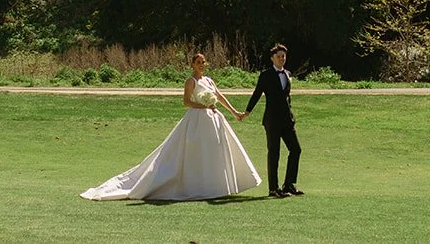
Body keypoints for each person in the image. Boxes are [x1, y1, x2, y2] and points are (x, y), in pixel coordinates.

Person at [81, 52, 260, 202]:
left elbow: (220, 97)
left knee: (215, 151)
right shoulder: (191, 81)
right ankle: (195, 184)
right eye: (198, 62)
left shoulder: (210, 81)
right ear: (192, 64)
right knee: (194, 153)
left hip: (213, 120)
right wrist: (203, 106)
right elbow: (186, 102)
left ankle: (216, 186)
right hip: (196, 120)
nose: (201, 65)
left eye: (203, 62)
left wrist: (235, 112)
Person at [238, 43, 303, 198]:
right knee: (274, 153)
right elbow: (256, 94)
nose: (281, 59)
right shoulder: (266, 75)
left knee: (296, 149)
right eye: (278, 56)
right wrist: (247, 112)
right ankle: (273, 189)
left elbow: (287, 97)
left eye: (283, 56)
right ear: (272, 58)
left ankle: (288, 184)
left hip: (287, 121)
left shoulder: (287, 73)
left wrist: (291, 115)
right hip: (272, 121)